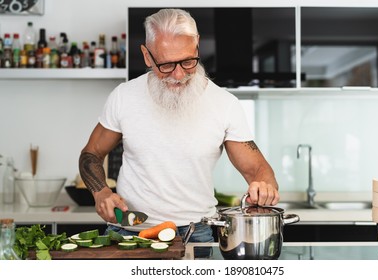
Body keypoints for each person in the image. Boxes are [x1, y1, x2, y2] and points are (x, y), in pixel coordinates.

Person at [79, 8, 280, 253]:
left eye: (187, 61)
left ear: (196, 47)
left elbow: (258, 170)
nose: (179, 74)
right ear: (146, 56)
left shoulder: (225, 104)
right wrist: (101, 193)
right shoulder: (124, 97)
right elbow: (91, 154)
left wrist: (264, 187)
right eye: (166, 65)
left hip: (195, 234)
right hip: (127, 231)